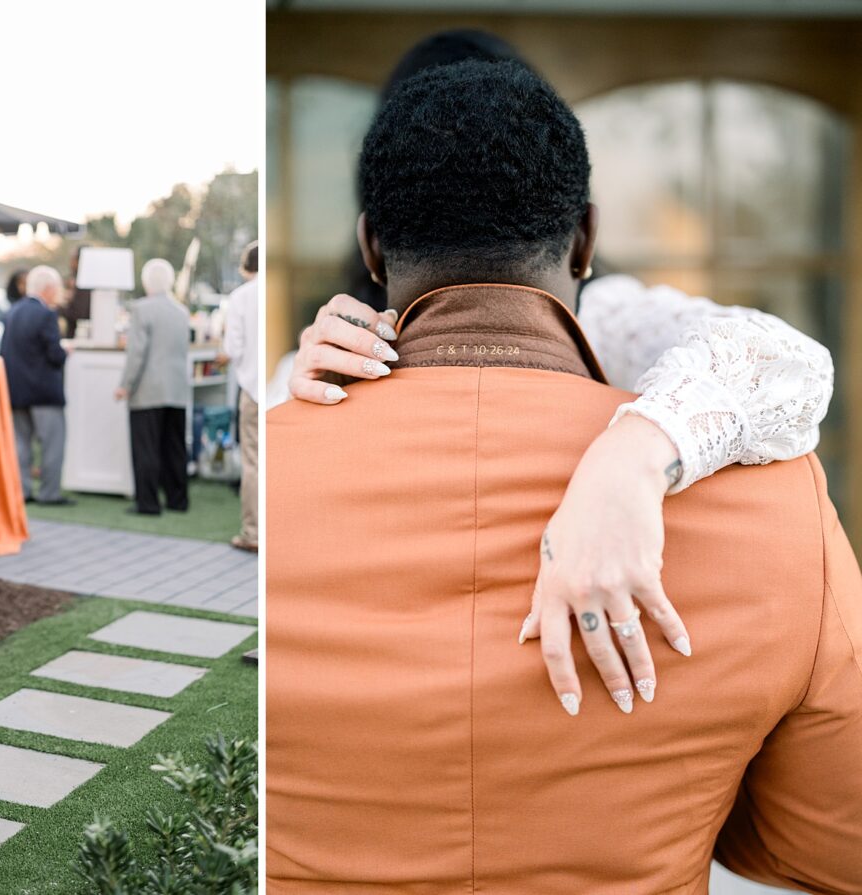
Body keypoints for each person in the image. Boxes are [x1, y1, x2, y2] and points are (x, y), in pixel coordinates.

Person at [266, 59, 862, 893]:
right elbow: (831, 848)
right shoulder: (781, 507)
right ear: (586, 239)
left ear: (370, 246)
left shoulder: (271, 468)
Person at [284, 29, 834, 706]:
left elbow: (785, 361)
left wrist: (632, 461)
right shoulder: (326, 351)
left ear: (373, 239)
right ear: (584, 236)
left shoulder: (612, 317)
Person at [114, 258, 190, 515]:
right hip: (177, 389)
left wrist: (125, 385)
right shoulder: (181, 311)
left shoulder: (141, 309)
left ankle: (148, 503)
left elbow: (137, 352)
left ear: (147, 282)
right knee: (175, 447)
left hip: (149, 388)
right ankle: (178, 499)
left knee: (146, 448)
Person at [0, 265, 73, 506]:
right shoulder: (46, 315)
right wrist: (65, 352)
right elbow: (55, 355)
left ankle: (24, 491)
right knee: (53, 443)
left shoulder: (12, 312)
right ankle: (49, 493)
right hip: (43, 392)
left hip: (17, 390)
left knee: (21, 444)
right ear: (49, 288)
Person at [223, 241, 260, 552]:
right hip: (286, 385)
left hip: (253, 389)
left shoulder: (240, 297)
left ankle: (253, 532)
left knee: (253, 462)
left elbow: (232, 348)